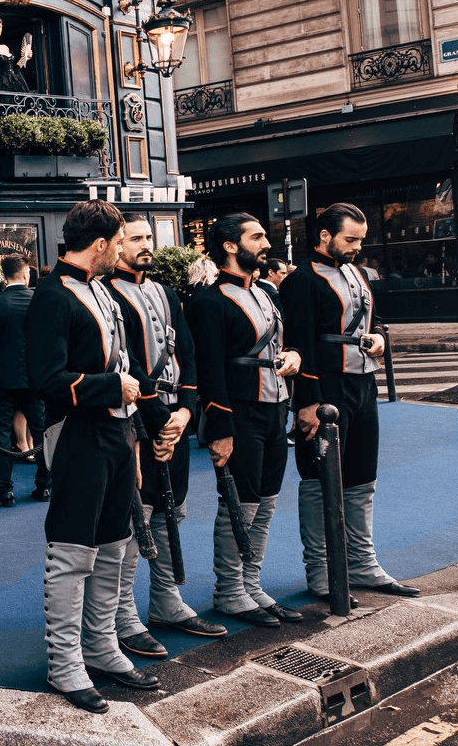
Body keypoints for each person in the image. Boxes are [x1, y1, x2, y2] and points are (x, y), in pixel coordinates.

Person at [27, 200, 156, 714]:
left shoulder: (100, 288)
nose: (125, 249)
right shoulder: (52, 296)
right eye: (121, 241)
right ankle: (65, 664)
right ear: (102, 244)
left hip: (118, 432)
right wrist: (111, 386)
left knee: (114, 543)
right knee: (73, 549)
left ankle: (101, 648)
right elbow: (45, 379)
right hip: (77, 432)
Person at [281, 203, 419, 603]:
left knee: (362, 477)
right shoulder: (302, 280)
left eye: (361, 239)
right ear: (325, 235)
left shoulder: (358, 273)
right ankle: (321, 569)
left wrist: (378, 336)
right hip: (324, 388)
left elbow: (368, 318)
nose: (358, 246)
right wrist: (306, 402)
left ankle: (361, 562)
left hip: (363, 382)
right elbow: (299, 344)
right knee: (319, 479)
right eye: (350, 239)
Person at [106, 214, 227, 656]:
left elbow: (189, 354)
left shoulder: (167, 292)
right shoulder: (109, 296)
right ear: (116, 246)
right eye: (135, 239)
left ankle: (166, 601)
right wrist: (159, 421)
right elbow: (125, 365)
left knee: (172, 511)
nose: (145, 244)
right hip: (140, 423)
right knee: (135, 519)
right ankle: (123, 615)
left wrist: (186, 413)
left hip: (173, 418)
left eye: (148, 237)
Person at [186, 213, 306, 629]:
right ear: (231, 246)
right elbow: (209, 369)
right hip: (238, 412)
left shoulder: (268, 293)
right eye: (257, 237)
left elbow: (282, 344)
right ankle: (228, 590)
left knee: (267, 501)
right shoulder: (208, 300)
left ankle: (250, 583)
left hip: (275, 407)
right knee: (241, 503)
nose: (266, 243)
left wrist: (293, 357)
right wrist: (219, 427)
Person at [0, 254, 52, 505]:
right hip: (35, 379)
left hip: (2, 379)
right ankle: (44, 487)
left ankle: (5, 490)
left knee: (1, 434)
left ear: (3, 274)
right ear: (26, 272)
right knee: (41, 432)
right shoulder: (40, 301)